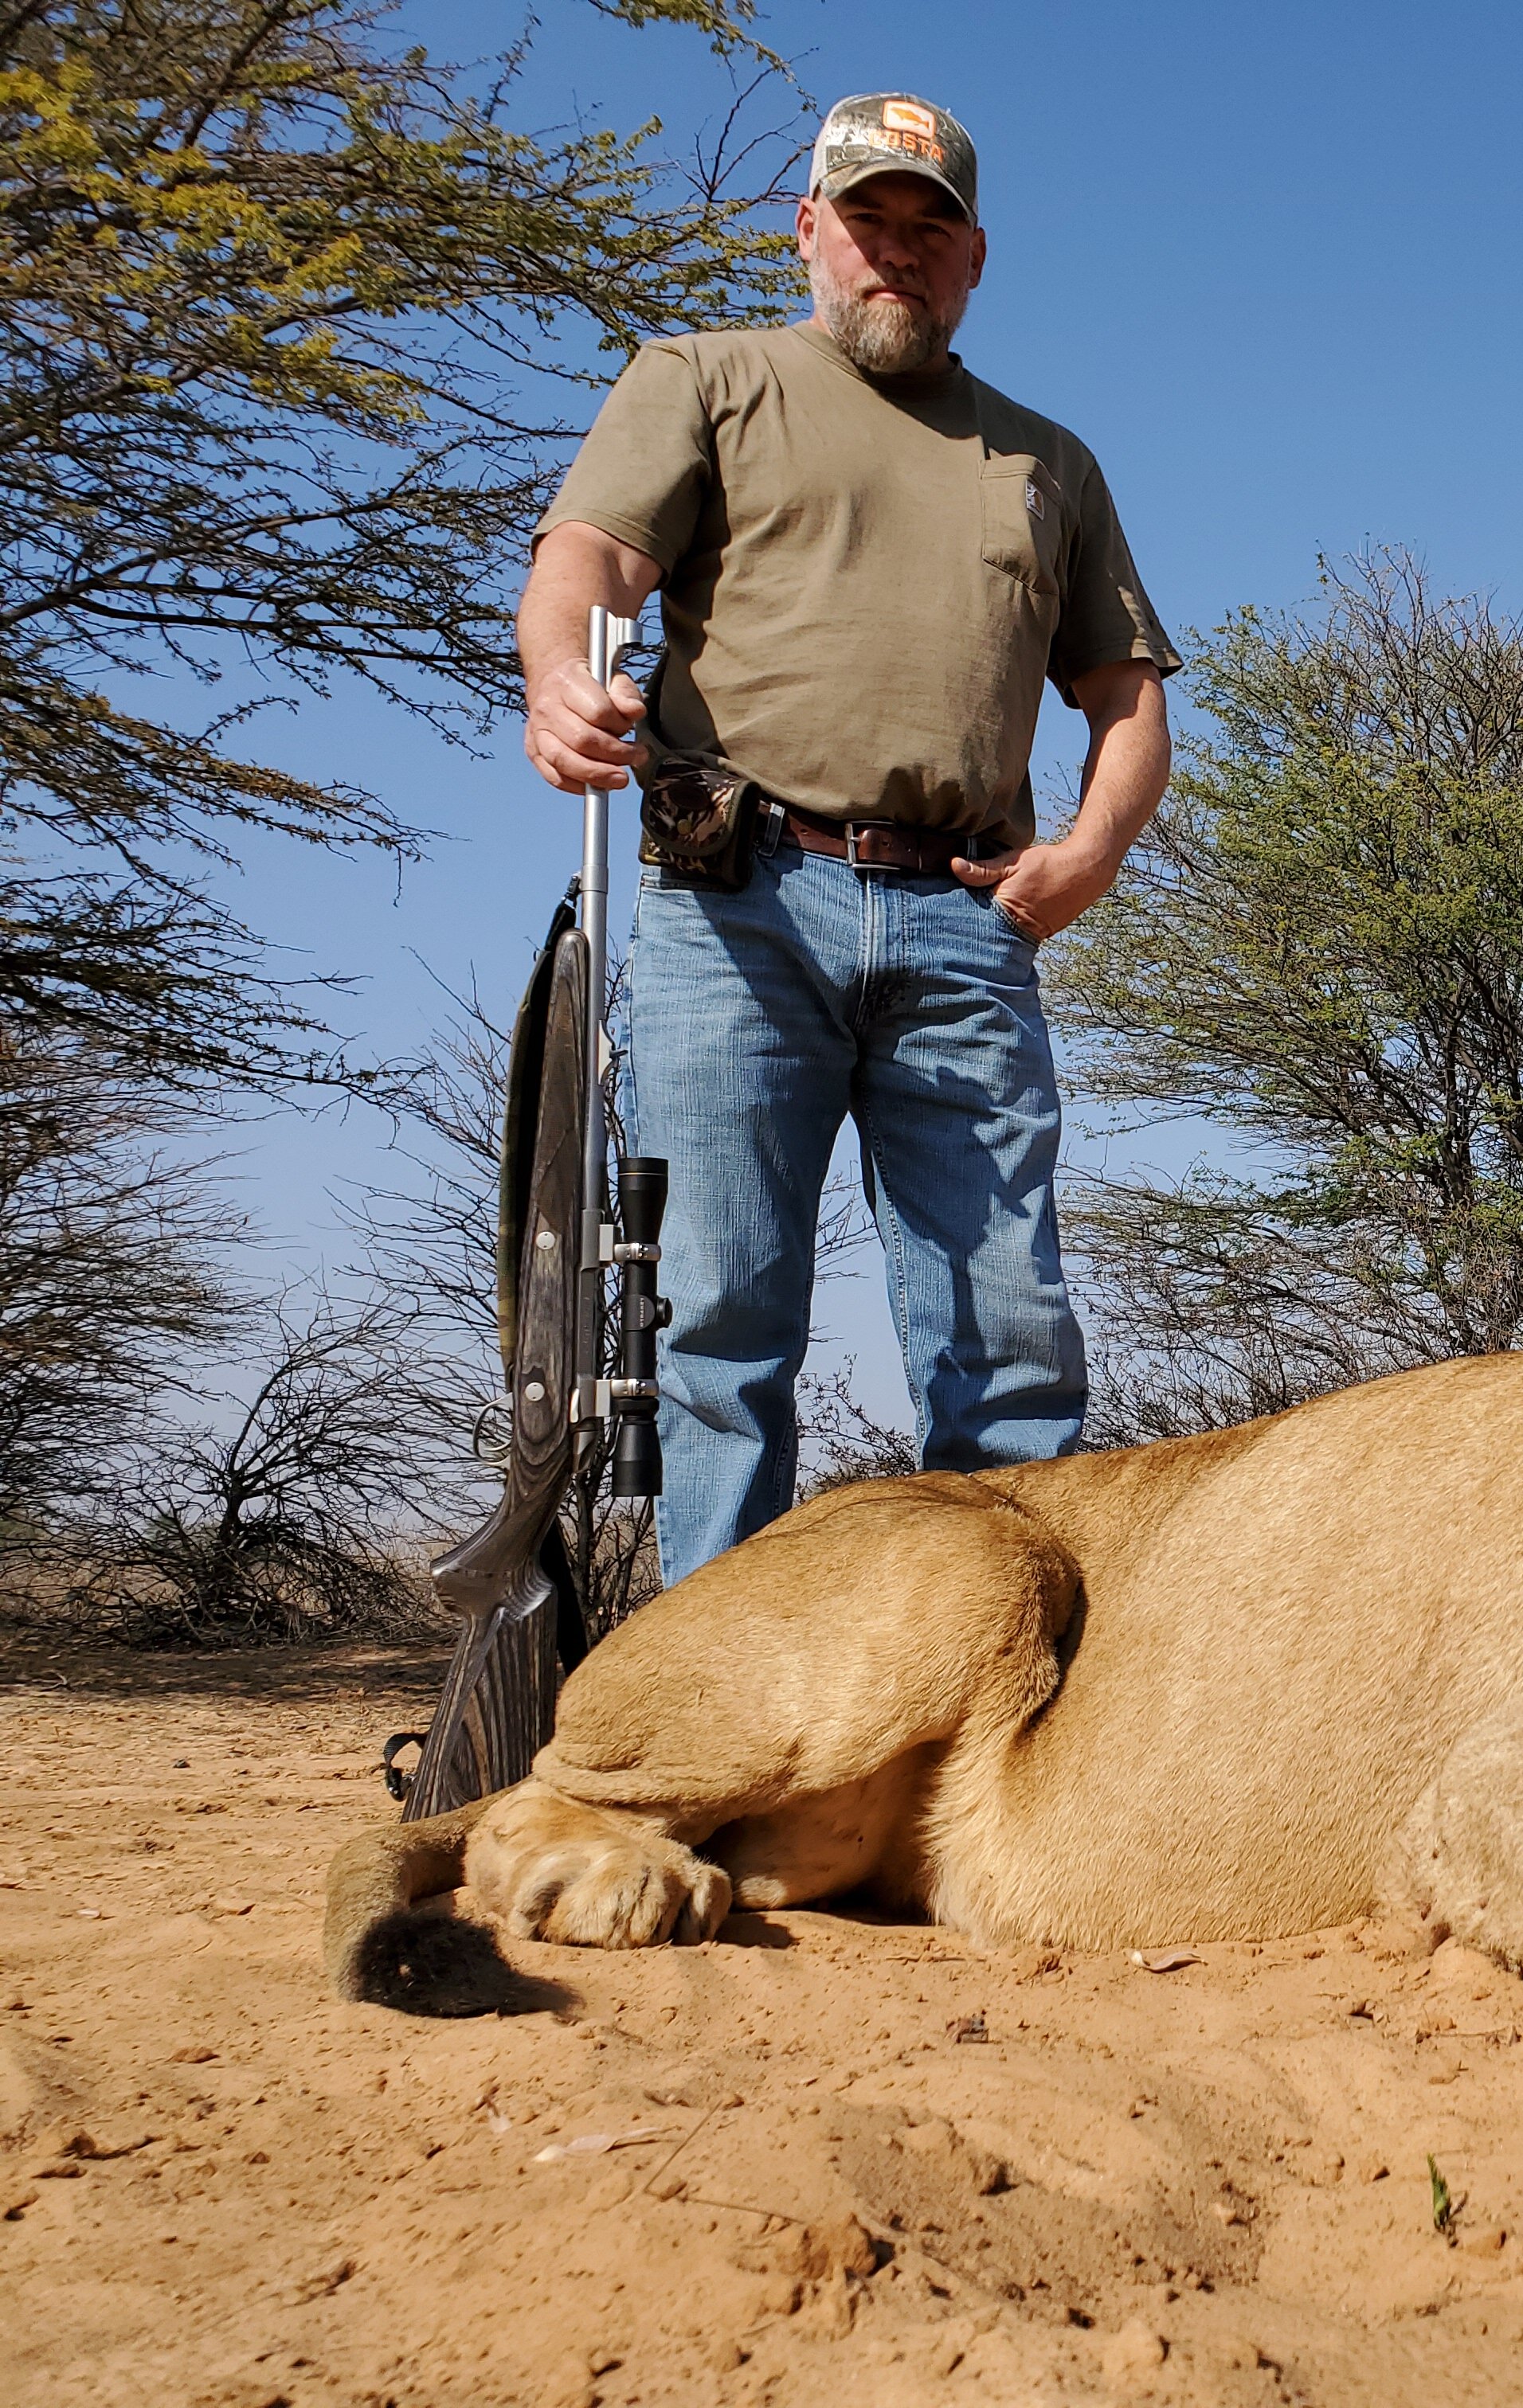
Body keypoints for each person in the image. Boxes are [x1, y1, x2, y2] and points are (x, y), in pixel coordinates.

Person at [515, 92, 1175, 1585]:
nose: (896, 253)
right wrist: (560, 674)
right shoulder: (704, 375)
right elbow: (591, 558)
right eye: (866, 221)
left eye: (927, 229)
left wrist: (1086, 854)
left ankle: (996, 1691)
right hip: (732, 900)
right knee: (720, 1320)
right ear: (808, 231)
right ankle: (718, 1706)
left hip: (964, 915)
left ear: (975, 258)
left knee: (1006, 1328)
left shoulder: (1046, 459)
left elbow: (1125, 699)